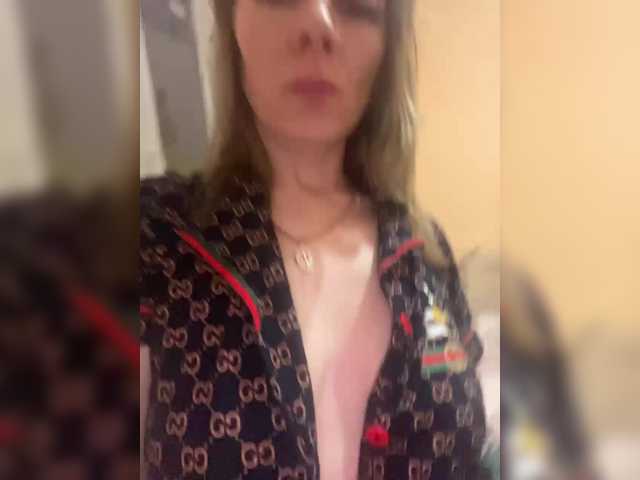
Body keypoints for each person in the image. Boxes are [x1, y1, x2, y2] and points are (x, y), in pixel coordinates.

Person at [140, 1, 488, 478]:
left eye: (355, 5)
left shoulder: (427, 253)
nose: (318, 23)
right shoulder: (157, 237)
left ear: (384, 50)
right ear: (231, 23)